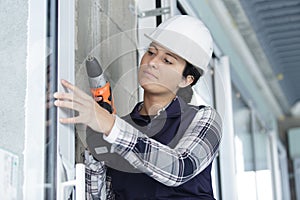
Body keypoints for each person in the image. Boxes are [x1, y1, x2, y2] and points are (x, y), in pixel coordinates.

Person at [54, 15, 222, 200]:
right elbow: (99, 197)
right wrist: (97, 153)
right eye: (151, 52)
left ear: (186, 80)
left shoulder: (203, 118)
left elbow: (180, 168)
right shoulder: (121, 128)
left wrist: (111, 126)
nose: (152, 62)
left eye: (167, 60)